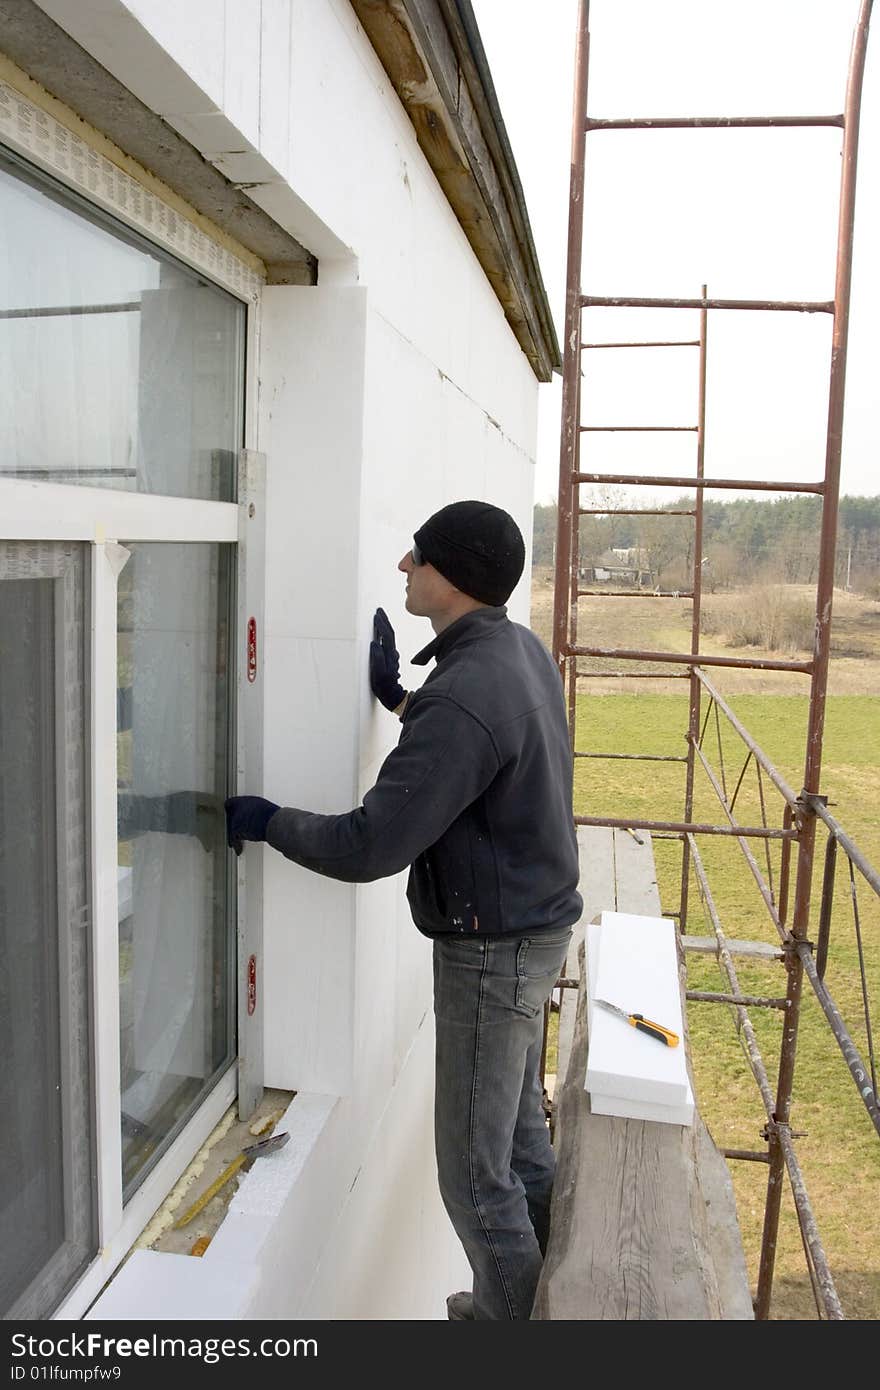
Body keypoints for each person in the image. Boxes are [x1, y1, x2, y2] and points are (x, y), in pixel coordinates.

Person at [225, 500, 582, 1320]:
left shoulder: (466, 695)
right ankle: (554, 1298)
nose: (401, 568)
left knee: (470, 1173)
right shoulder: (514, 651)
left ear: (448, 577)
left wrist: (268, 820)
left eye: (415, 557)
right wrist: (402, 700)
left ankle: (513, 1327)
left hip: (494, 955)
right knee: (520, 1145)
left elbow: (369, 845)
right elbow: (476, 750)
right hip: (534, 934)